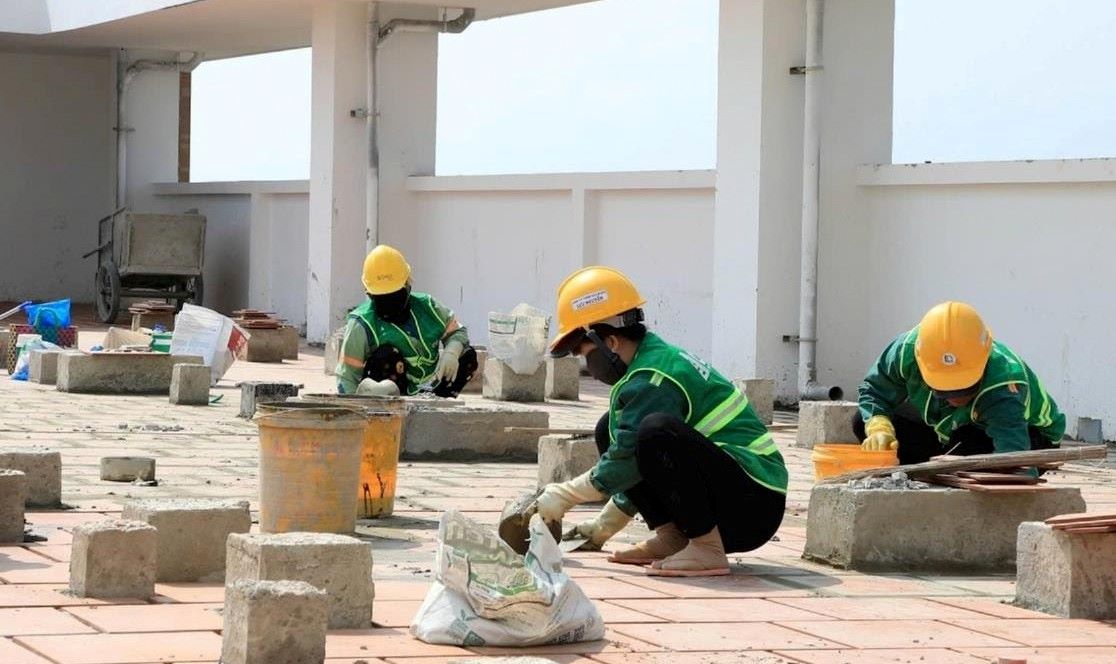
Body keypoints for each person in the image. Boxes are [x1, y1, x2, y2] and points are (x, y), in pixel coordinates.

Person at [534, 266, 787, 577]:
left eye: (586, 354)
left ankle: (707, 547)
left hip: (753, 505)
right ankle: (674, 537)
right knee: (610, 429)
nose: (589, 366)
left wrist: (565, 495)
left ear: (610, 343)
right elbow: (643, 460)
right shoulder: (649, 362)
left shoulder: (653, 379)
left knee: (654, 432)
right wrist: (604, 525)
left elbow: (629, 459)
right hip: (732, 495)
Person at [856, 301, 1065, 466]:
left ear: (984, 361)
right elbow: (874, 391)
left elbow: (1015, 458)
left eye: (965, 388)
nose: (955, 398)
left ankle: (947, 465)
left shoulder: (1004, 385)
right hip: (949, 430)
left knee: (967, 444)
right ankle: (944, 465)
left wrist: (1010, 477)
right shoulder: (908, 350)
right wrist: (879, 428)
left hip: (1029, 436)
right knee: (861, 421)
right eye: (943, 390)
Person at [335, 245, 478, 398]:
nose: (389, 302)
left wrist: (452, 352)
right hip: (390, 394)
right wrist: (353, 408)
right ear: (369, 294)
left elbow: (458, 331)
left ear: (407, 284)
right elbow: (347, 376)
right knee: (386, 355)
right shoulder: (361, 324)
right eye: (382, 297)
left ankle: (436, 404)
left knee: (467, 355)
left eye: (394, 294)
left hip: (432, 386)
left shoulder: (427, 306)